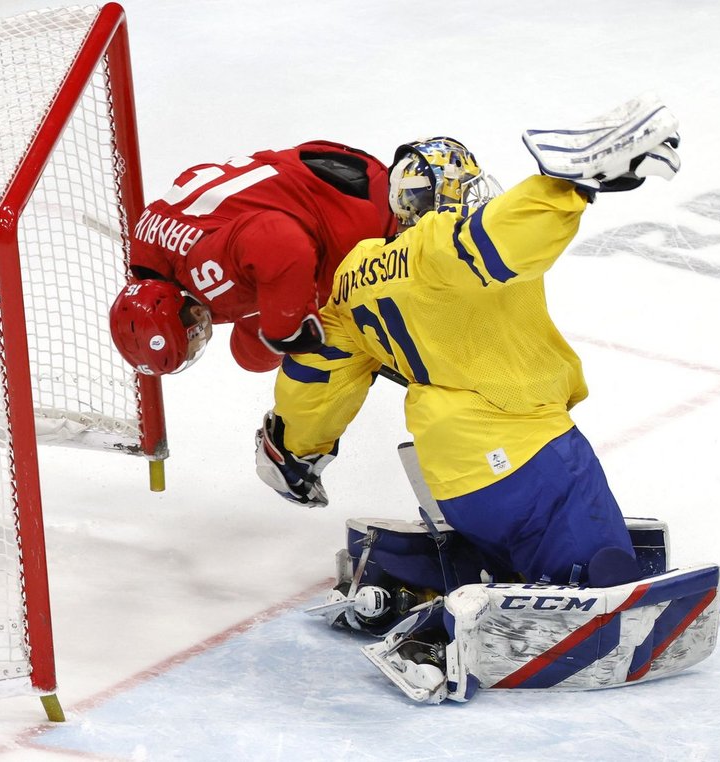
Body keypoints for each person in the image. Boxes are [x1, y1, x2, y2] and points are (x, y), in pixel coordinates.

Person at [254, 94, 683, 589]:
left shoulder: (354, 273)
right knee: (606, 580)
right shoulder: (444, 244)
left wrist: (293, 448)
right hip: (532, 460)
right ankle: (498, 624)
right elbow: (499, 238)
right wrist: (570, 184)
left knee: (516, 560)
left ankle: (447, 587)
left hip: (451, 480)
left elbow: (318, 373)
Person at [109, 141, 396, 375]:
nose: (199, 345)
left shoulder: (202, 273)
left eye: (193, 341)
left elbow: (280, 239)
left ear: (195, 315)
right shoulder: (151, 250)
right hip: (323, 168)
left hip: (356, 210)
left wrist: (285, 327)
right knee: (252, 356)